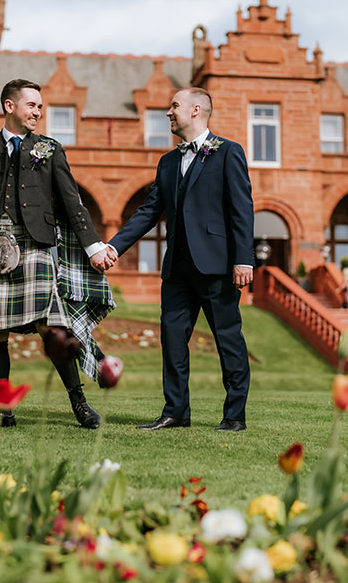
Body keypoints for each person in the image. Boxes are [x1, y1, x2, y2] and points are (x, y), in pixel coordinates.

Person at [0, 79, 116, 431]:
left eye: (40, 107)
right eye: (32, 105)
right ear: (9, 106)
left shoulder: (49, 149)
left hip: (34, 244)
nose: (38, 112)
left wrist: (94, 246)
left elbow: (72, 201)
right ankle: (1, 411)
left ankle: (79, 404)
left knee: (53, 328)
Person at [107, 88, 254, 432]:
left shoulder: (228, 152)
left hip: (217, 267)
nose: (168, 112)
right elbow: (148, 212)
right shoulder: (168, 162)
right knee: (172, 340)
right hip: (177, 269)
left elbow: (241, 210)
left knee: (228, 340)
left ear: (196, 109)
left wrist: (243, 259)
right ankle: (176, 411)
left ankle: (234, 415)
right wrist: (114, 246)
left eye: (174, 106)